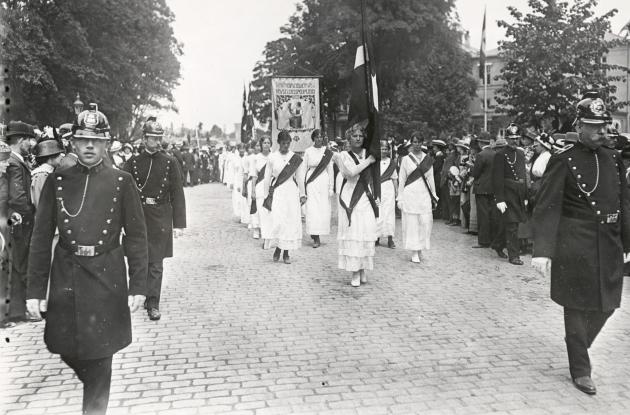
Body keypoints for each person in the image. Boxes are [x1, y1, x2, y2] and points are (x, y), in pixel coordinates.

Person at [26, 108, 148, 414]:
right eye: (82, 139)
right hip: (67, 276)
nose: (89, 146)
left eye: (96, 140)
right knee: (63, 346)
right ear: (73, 144)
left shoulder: (122, 181)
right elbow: (41, 238)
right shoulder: (58, 180)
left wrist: (138, 286)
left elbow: (136, 237)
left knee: (101, 357)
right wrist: (34, 291)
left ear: (106, 144)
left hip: (107, 276)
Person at [532, 92, 630, 396]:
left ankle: (577, 345)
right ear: (579, 125)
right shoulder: (564, 160)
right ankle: (580, 369)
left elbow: (624, 202)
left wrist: (628, 240)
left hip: (609, 242)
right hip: (573, 244)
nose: (603, 131)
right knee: (575, 305)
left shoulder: (613, 158)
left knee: (609, 303)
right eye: (595, 126)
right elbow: (548, 206)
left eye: (605, 125)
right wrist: (542, 252)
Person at [123, 117, 186, 321]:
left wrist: (179, 224)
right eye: (153, 138)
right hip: (138, 216)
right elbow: (122, 194)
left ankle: (153, 302)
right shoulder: (132, 163)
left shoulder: (170, 162)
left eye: (160, 138)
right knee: (138, 259)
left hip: (160, 216)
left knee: (156, 263)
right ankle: (139, 295)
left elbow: (177, 193)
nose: (158, 142)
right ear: (144, 139)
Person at [333, 124, 377, 287]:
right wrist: (369, 161)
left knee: (365, 231)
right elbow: (350, 172)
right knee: (354, 232)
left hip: (365, 195)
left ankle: (363, 267)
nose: (358, 139)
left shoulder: (368, 153)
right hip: (350, 196)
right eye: (354, 136)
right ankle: (354, 271)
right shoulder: (343, 155)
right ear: (349, 138)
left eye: (360, 136)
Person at [2, 121, 35, 322]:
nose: (32, 144)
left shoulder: (15, 160)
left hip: (16, 220)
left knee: (18, 263)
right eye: (29, 140)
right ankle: (17, 311)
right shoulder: (14, 163)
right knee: (19, 263)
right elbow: (17, 197)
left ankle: (17, 310)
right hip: (20, 221)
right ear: (21, 140)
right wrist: (30, 215)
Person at [263, 131, 305, 264]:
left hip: (291, 191)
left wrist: (303, 193)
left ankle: (286, 252)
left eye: (288, 143)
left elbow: (299, 178)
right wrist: (266, 195)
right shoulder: (272, 157)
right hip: (278, 191)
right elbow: (266, 177)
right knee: (279, 220)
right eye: (283, 143)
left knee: (290, 220)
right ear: (278, 143)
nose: (285, 146)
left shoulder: (295, 158)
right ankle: (278, 249)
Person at [491, 124, 528, 265]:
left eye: (517, 138)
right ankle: (514, 256)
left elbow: (523, 175)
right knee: (512, 224)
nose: (514, 141)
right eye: (511, 138)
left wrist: (524, 196)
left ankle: (498, 244)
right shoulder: (500, 155)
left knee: (510, 223)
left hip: (518, 193)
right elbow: (497, 178)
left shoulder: (520, 153)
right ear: (506, 138)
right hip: (507, 194)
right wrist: (499, 199)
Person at [397, 134, 437, 263]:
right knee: (412, 223)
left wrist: (434, 194)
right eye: (414, 142)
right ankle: (414, 251)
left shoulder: (428, 159)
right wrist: (400, 197)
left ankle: (420, 248)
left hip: (424, 194)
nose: (417, 144)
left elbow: (431, 178)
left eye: (419, 142)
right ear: (411, 143)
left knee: (425, 222)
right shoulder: (405, 159)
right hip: (410, 193)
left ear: (422, 143)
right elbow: (402, 179)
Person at [303, 129, 333, 248]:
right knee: (312, 208)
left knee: (322, 208)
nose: (319, 139)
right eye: (317, 137)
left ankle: (318, 232)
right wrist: (303, 187)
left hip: (323, 181)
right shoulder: (308, 151)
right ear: (313, 138)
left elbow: (330, 170)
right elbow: (304, 168)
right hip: (311, 181)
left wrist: (331, 187)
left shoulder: (327, 152)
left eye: (321, 137)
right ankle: (315, 236)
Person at [472, 134, 495, 248]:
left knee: (483, 215)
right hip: (493, 188)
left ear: (481, 143)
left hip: (481, 188)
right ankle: (491, 239)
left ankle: (483, 241)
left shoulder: (481, 155)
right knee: (491, 214)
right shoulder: (496, 154)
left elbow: (476, 173)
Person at [251, 137, 273, 249]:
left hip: (272, 188)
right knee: (263, 215)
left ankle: (272, 238)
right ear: (261, 144)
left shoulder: (274, 156)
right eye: (264, 142)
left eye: (268, 142)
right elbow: (254, 176)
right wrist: (253, 191)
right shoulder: (256, 158)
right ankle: (265, 238)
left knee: (272, 214)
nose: (266, 145)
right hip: (260, 188)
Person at [31, 139, 65, 209]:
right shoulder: (41, 175)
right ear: (50, 157)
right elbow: (40, 203)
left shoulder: (48, 173)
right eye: (58, 154)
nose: (62, 156)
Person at [376, 140, 397, 248]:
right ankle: (377, 237)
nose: (383, 151)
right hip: (377, 188)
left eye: (385, 149)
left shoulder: (392, 162)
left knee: (389, 213)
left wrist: (397, 192)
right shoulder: (375, 161)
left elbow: (394, 178)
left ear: (388, 150)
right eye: (381, 149)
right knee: (378, 212)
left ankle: (390, 239)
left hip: (388, 188)